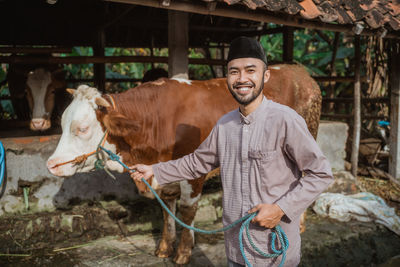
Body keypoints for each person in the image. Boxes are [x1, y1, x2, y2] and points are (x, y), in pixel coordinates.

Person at [130, 36, 333, 267]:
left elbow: (321, 173)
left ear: (265, 76)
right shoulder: (224, 125)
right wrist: (153, 169)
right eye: (234, 72)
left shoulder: (286, 120)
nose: (242, 79)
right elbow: (196, 163)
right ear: (227, 78)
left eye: (250, 70)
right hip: (236, 250)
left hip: (276, 251)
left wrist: (281, 209)